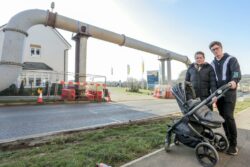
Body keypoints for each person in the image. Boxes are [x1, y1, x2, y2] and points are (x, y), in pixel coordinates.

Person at [209, 41, 241, 155]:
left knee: (228, 116)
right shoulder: (212, 64)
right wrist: (214, 94)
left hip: (229, 92)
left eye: (217, 48)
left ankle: (233, 145)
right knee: (223, 118)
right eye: (213, 50)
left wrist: (234, 80)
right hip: (219, 94)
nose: (215, 51)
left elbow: (236, 72)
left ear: (221, 48)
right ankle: (228, 139)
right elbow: (212, 81)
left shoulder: (231, 59)